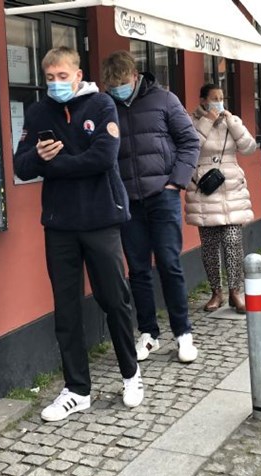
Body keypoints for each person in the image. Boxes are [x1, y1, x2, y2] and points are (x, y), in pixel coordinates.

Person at [14, 47, 142, 421]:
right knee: (66, 308)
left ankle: (131, 373)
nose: (56, 84)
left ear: (78, 74)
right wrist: (39, 156)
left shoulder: (101, 105)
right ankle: (76, 389)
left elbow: (103, 158)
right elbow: (22, 165)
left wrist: (56, 165)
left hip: (101, 218)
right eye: (50, 78)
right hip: (59, 223)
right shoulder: (38, 112)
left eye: (62, 76)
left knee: (114, 299)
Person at [101, 51, 201, 363]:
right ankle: (148, 333)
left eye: (121, 83)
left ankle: (183, 333)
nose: (117, 89)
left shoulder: (164, 100)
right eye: (112, 85)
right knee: (138, 269)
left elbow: (190, 141)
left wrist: (177, 182)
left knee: (170, 264)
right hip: (128, 201)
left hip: (163, 196)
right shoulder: (107, 106)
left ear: (134, 76)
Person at [185, 83, 257, 314]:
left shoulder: (230, 121)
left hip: (231, 187)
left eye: (221, 97)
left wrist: (233, 122)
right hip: (205, 188)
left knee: (233, 239)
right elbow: (189, 147)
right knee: (210, 245)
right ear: (203, 100)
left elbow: (248, 147)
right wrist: (207, 120)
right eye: (213, 98)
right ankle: (216, 291)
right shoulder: (193, 121)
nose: (218, 101)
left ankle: (236, 291)